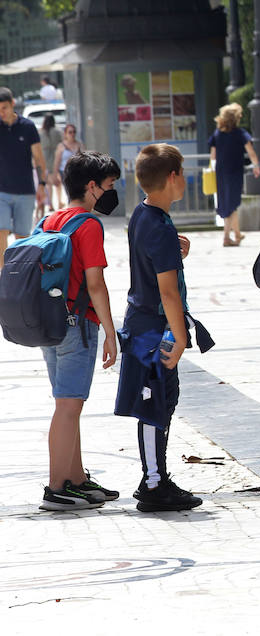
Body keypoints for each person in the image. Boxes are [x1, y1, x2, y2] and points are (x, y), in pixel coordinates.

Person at [113, 144, 202, 511]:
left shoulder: (145, 214)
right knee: (154, 403)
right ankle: (153, 484)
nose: (184, 179)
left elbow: (152, 261)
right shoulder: (158, 226)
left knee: (162, 399)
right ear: (172, 177)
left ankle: (156, 476)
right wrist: (180, 337)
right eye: (181, 173)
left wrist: (173, 247)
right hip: (154, 331)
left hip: (145, 325)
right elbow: (166, 290)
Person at [34, 152, 123, 510]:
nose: (113, 192)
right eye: (110, 185)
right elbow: (95, 284)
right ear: (92, 187)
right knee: (68, 407)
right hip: (77, 323)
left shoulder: (48, 220)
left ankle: (76, 478)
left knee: (68, 403)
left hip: (49, 322)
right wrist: (110, 331)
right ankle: (56, 486)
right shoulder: (88, 225)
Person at [0, 87, 48, 264]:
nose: (1, 113)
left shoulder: (28, 127)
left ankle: (18, 275)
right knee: (0, 232)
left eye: (4, 108)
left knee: (22, 238)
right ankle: (3, 276)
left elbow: (39, 158)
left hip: (25, 191)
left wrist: (42, 184)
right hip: (1, 191)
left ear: (12, 104)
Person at [209, 103, 260, 247]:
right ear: (236, 118)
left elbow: (213, 156)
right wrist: (256, 165)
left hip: (220, 171)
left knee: (228, 202)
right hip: (234, 172)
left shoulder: (217, 134)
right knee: (232, 203)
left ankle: (237, 234)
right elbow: (250, 152)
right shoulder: (240, 133)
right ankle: (226, 237)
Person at [37, 113, 60, 212]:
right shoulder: (57, 131)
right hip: (55, 158)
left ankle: (50, 203)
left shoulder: (40, 132)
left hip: (44, 158)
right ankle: (59, 202)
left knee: (48, 184)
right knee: (57, 182)